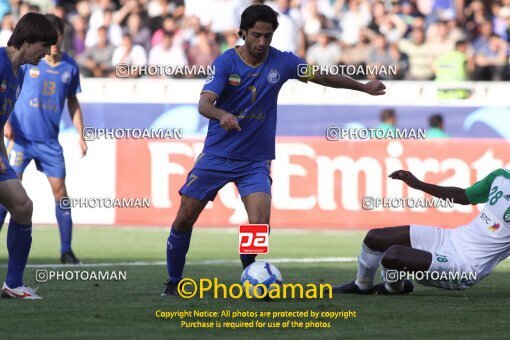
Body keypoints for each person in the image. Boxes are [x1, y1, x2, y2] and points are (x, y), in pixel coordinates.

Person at [161, 4, 386, 296]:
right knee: (184, 219)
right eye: (256, 35)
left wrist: (364, 87)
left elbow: (324, 77)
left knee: (259, 225)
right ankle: (174, 281)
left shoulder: (284, 63)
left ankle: (248, 274)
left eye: (268, 36)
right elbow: (204, 104)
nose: (262, 42)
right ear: (242, 33)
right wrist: (221, 115)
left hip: (254, 161)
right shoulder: (225, 63)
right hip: (216, 156)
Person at [331, 168, 510, 295]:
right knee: (375, 238)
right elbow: (463, 196)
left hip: (465, 266)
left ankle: (393, 289)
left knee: (392, 256)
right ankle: (362, 286)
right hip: (451, 238)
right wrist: (418, 184)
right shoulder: (500, 177)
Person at [1, 14, 86, 265]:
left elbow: (73, 102)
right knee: (11, 198)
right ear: (30, 41)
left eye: (55, 40)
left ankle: (65, 250)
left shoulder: (67, 67)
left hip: (49, 142)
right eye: (46, 42)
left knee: (43, 197)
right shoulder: (20, 63)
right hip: (21, 140)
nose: (50, 48)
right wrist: (7, 126)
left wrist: (81, 133)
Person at [0, 12, 58, 300]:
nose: (47, 53)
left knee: (22, 207)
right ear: (27, 40)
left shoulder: (19, 72)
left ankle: (13, 284)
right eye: (44, 46)